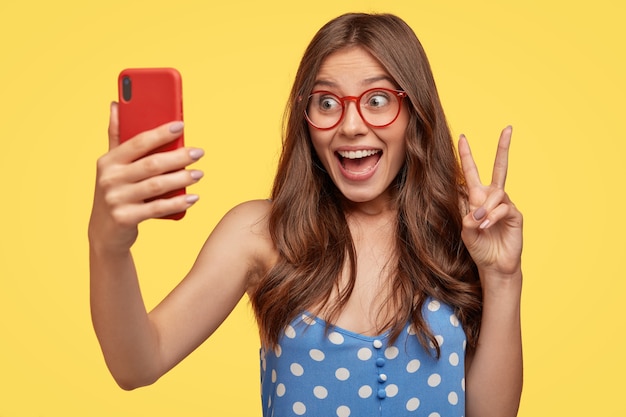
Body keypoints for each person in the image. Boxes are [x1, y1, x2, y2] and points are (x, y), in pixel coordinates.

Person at [89, 12, 523, 417]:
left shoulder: (465, 229)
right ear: (305, 116)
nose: (350, 125)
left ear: (414, 112)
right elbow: (137, 365)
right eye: (327, 102)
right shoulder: (260, 234)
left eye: (376, 99)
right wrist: (108, 245)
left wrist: (503, 279)